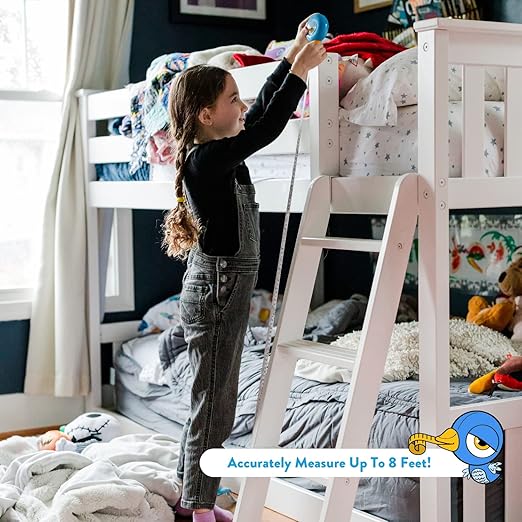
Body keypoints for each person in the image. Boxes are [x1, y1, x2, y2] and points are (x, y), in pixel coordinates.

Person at [162, 16, 326, 522]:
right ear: (207, 115)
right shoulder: (206, 161)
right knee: (214, 404)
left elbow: (257, 120)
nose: (242, 105)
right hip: (216, 292)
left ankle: (192, 498)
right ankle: (198, 506)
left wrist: (291, 55)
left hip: (221, 290)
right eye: (233, 98)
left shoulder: (219, 155)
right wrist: (299, 71)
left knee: (214, 400)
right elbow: (268, 127)